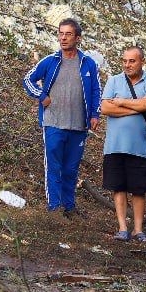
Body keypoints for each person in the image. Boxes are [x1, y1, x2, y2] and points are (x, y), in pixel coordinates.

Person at [21, 18, 101, 214]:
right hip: (53, 122)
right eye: (61, 33)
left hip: (78, 125)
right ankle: (54, 208)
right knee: (54, 167)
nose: (63, 38)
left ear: (78, 38)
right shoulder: (51, 61)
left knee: (71, 170)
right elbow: (27, 79)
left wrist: (94, 114)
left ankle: (69, 207)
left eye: (68, 34)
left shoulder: (88, 63)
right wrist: (41, 96)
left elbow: (96, 90)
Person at [100, 46, 146, 242]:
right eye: (125, 61)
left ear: (142, 61)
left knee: (139, 189)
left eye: (132, 61)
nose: (127, 65)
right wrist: (136, 107)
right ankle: (122, 227)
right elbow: (105, 107)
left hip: (140, 146)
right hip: (115, 145)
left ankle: (138, 229)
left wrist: (121, 102)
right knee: (119, 187)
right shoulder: (114, 80)